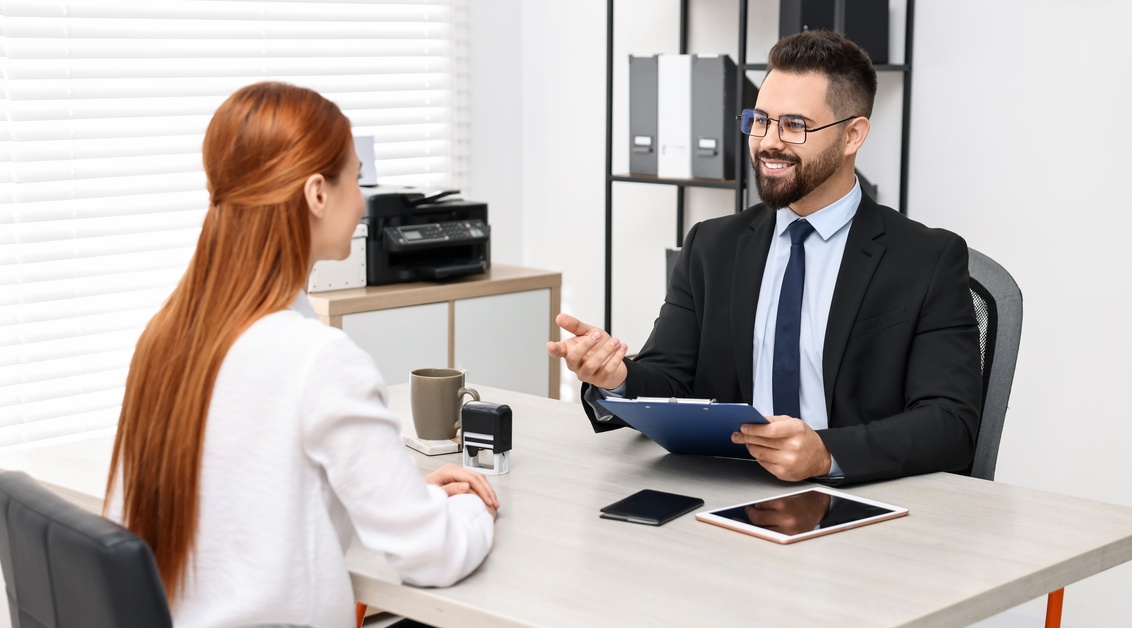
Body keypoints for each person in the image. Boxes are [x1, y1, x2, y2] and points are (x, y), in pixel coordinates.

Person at [105, 82, 499, 628]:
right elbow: (434, 556)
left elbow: (248, 497)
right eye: (355, 179)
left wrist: (399, 496)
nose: (361, 200)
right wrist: (470, 508)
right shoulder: (317, 358)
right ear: (317, 193)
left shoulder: (167, 336)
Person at [549, 30, 981, 485]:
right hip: (728, 489)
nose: (768, 143)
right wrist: (616, 377)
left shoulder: (926, 258)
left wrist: (826, 453)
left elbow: (951, 424)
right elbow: (671, 381)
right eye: (760, 120)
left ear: (853, 135)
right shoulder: (710, 247)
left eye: (794, 125)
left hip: (858, 498)